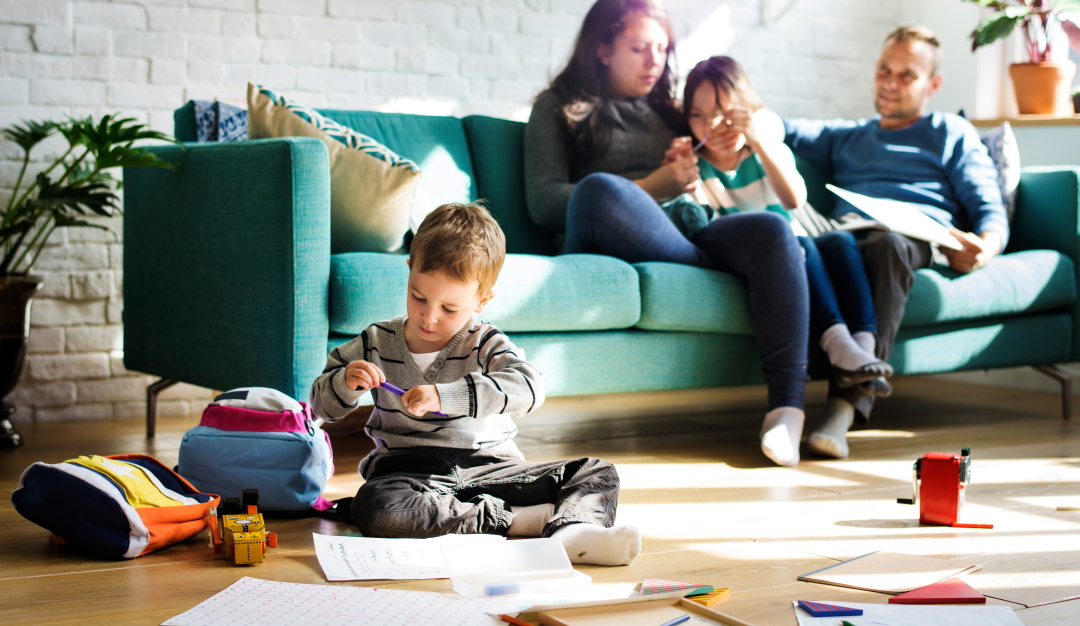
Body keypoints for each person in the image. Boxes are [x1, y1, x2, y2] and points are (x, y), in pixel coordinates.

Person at [525, 0, 812, 467]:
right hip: (604, 228)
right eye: (638, 48)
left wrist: (720, 144)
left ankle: (787, 410)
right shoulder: (559, 108)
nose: (654, 61)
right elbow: (544, 202)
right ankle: (713, 268)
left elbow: (726, 147)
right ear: (602, 48)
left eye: (661, 48)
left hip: (685, 232)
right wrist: (652, 186)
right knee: (601, 190)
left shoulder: (671, 111)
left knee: (773, 231)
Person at [310, 202, 641, 567]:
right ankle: (524, 521)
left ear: (482, 300)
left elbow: (530, 387)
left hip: (492, 467)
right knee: (372, 508)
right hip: (410, 474)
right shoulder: (375, 341)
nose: (429, 317)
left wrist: (448, 395)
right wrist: (345, 383)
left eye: (449, 309)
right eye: (418, 297)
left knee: (596, 472)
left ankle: (575, 532)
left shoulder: (485, 342)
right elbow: (320, 406)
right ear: (409, 271)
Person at [785, 25, 1009, 458]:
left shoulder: (951, 131)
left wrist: (985, 247)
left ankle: (844, 408)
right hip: (848, 234)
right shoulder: (847, 135)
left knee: (886, 245)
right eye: (884, 70)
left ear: (933, 84)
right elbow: (783, 128)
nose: (890, 83)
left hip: (910, 238)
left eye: (907, 75)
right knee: (818, 243)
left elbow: (989, 209)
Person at [679, 56, 893, 394]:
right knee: (800, 244)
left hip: (797, 243)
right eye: (697, 115)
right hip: (753, 257)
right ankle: (838, 345)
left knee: (839, 242)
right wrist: (688, 186)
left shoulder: (766, 151)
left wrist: (761, 143)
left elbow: (793, 200)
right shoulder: (696, 167)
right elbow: (702, 227)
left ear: (745, 109)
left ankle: (864, 350)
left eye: (724, 112)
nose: (712, 125)